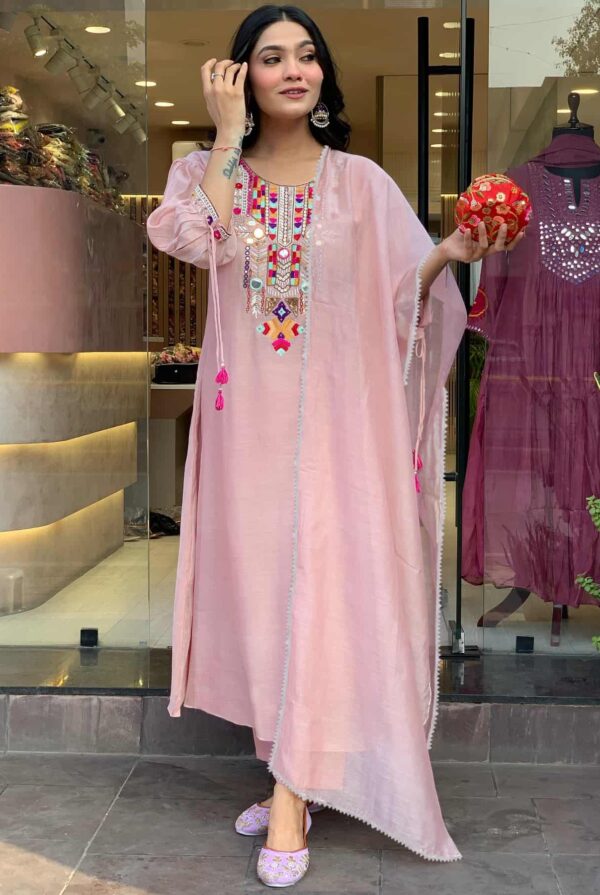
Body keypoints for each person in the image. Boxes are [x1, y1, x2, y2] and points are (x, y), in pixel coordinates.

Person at [147, 5, 524, 888]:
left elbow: (404, 295)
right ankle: (295, 763)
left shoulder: (358, 182)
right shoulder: (204, 171)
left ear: (323, 76)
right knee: (266, 591)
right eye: (270, 57)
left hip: (335, 432)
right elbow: (191, 241)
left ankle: (289, 795)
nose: (294, 69)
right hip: (247, 431)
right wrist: (228, 137)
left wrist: (451, 251)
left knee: (321, 585)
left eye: (307, 56)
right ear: (238, 75)